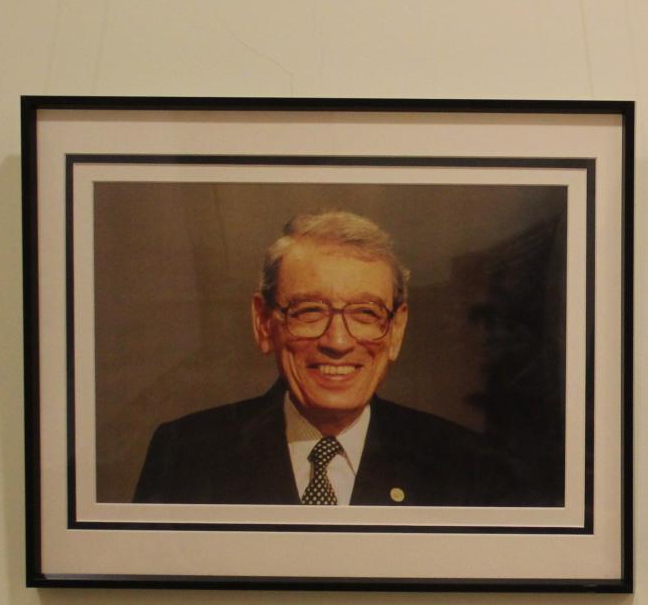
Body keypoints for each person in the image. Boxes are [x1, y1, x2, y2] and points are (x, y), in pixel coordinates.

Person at [133, 210, 538, 506]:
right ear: (263, 322)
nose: (339, 341)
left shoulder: (467, 467)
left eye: (366, 314)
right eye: (309, 311)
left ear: (395, 330)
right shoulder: (186, 455)